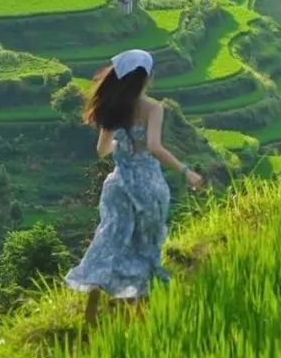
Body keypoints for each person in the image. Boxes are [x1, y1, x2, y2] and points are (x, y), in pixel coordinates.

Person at [66, 48, 204, 323]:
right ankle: (136, 314)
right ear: (147, 78)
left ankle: (94, 297)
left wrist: (121, 145)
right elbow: (154, 148)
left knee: (110, 238)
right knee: (143, 247)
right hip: (147, 185)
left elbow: (102, 150)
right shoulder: (153, 108)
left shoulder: (113, 107)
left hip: (118, 185)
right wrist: (186, 171)